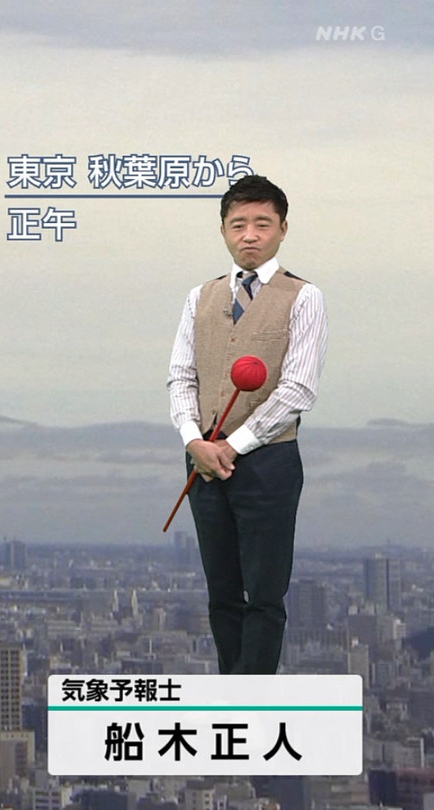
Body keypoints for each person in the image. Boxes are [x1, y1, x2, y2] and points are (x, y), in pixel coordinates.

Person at [167, 175, 328, 675]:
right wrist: (194, 440)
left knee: (264, 594)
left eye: (262, 223)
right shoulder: (200, 297)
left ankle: (253, 697)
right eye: (238, 225)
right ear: (223, 231)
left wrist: (231, 445)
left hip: (268, 462)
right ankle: (229, 694)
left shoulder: (304, 297)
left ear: (282, 229)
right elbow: (181, 377)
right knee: (221, 592)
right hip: (202, 461)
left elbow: (298, 389)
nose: (250, 235)